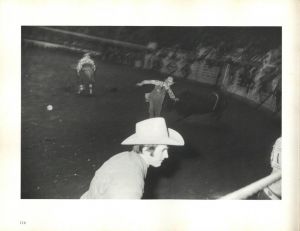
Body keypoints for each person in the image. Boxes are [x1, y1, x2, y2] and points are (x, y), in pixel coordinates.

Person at [80, 117, 184, 199]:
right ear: (146, 149)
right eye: (163, 150)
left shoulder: (125, 157)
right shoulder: (130, 182)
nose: (167, 155)